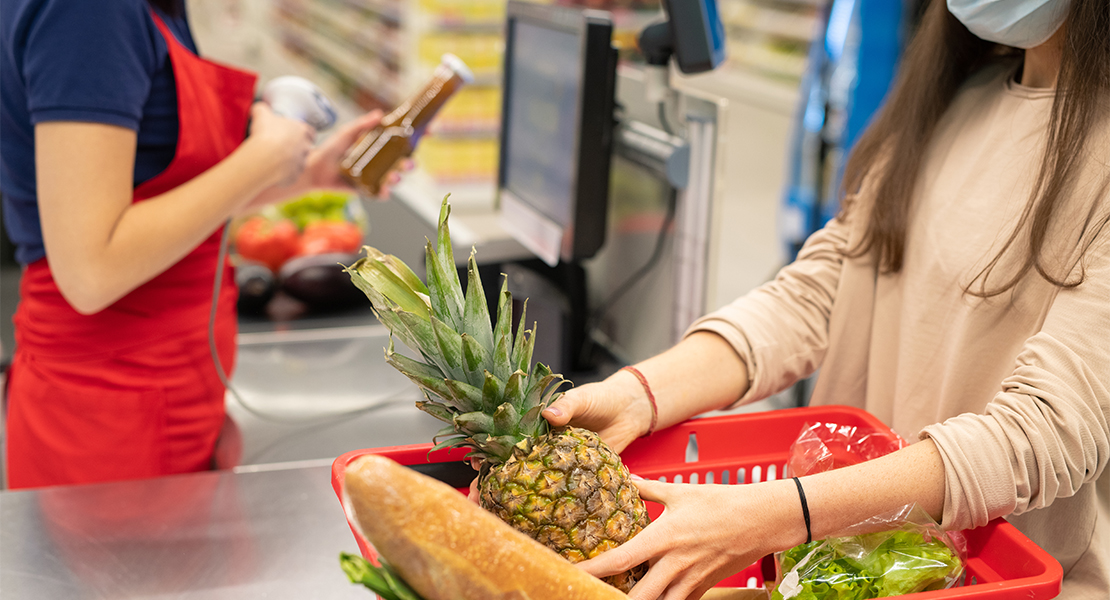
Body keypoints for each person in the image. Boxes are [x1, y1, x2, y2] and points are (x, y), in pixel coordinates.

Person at [541, 0, 1109, 598]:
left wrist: (775, 515)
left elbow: (1043, 432)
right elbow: (813, 297)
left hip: (993, 580)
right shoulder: (953, 99)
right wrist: (637, 395)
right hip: (843, 570)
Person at [0, 0, 397, 488]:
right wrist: (264, 156)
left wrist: (312, 174)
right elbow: (90, 268)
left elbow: (159, 193)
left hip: (168, 387)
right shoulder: (89, 12)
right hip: (109, 413)